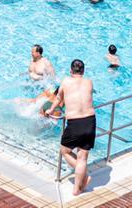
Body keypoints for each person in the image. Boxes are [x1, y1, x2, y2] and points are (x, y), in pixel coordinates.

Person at [48, 59, 95, 196]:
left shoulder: (66, 81)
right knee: (83, 156)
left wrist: (51, 110)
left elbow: (58, 98)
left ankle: (84, 175)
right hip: (90, 121)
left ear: (70, 71)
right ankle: (77, 189)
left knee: (65, 150)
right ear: (83, 71)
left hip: (75, 122)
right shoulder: (89, 82)